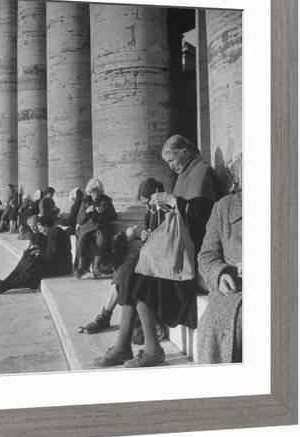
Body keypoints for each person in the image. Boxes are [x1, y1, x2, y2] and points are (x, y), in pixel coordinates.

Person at [93, 134, 217, 368]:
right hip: (175, 246)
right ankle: (126, 347)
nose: (171, 166)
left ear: (185, 150)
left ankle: (147, 349)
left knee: (139, 276)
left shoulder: (203, 172)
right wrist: (166, 206)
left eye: (171, 159)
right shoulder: (184, 175)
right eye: (168, 162)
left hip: (189, 252)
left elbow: (203, 217)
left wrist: (172, 201)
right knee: (131, 271)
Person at [78, 178, 165, 334]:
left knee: (124, 273)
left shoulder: (164, 211)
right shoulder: (151, 212)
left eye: (148, 202)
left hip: (158, 258)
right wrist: (144, 234)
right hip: (148, 253)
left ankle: (105, 318)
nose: (147, 207)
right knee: (122, 273)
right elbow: (78, 219)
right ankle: (104, 316)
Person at [197, 155, 243, 364]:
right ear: (238, 179)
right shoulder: (223, 208)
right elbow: (207, 255)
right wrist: (221, 273)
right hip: (233, 290)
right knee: (212, 327)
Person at [0, 215, 72, 294]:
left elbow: (53, 256)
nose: (40, 230)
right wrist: (37, 251)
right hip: (55, 264)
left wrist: (39, 254)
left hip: (61, 267)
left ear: (46, 226)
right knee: (28, 256)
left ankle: (5, 285)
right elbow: (50, 253)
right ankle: (4, 284)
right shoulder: (53, 233)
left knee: (31, 269)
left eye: (40, 227)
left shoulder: (57, 234)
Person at [74, 178, 117, 279]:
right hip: (87, 228)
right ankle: (81, 269)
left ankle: (97, 268)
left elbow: (114, 216)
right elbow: (79, 220)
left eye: (98, 191)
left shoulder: (106, 200)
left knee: (101, 238)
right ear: (89, 191)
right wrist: (86, 212)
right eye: (93, 191)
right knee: (83, 238)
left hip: (101, 227)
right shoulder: (85, 201)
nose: (95, 194)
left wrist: (104, 212)